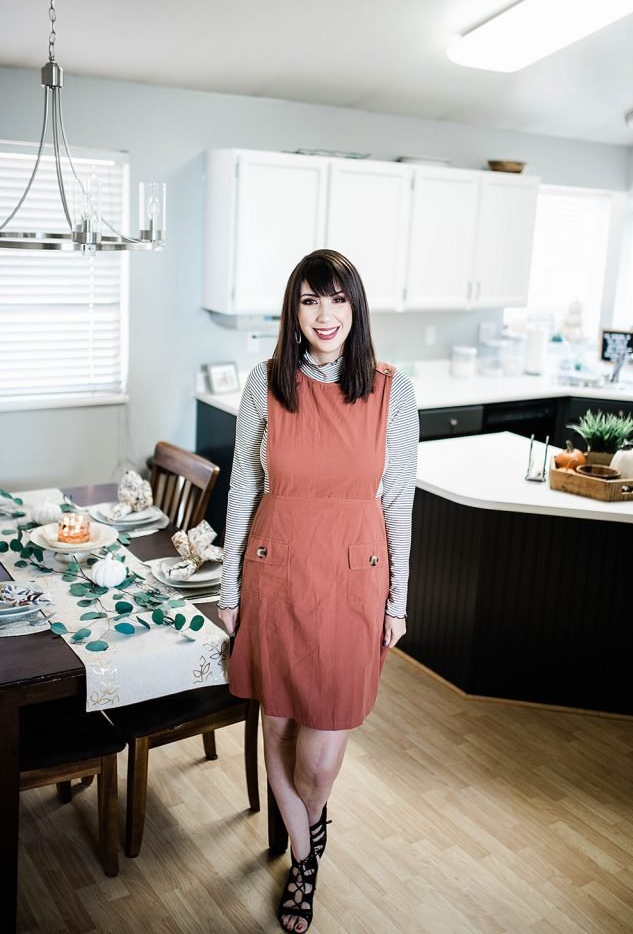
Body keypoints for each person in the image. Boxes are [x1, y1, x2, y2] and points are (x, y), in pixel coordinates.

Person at [217, 249, 419, 933]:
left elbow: (398, 503)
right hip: (276, 569)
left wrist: (399, 599)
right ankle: (305, 857)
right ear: (292, 311)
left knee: (321, 754)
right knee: (275, 725)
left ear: (355, 307)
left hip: (352, 580)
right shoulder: (264, 383)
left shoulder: (392, 389)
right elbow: (245, 487)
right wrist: (228, 587)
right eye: (309, 301)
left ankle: (309, 825)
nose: (324, 315)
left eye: (337, 300)